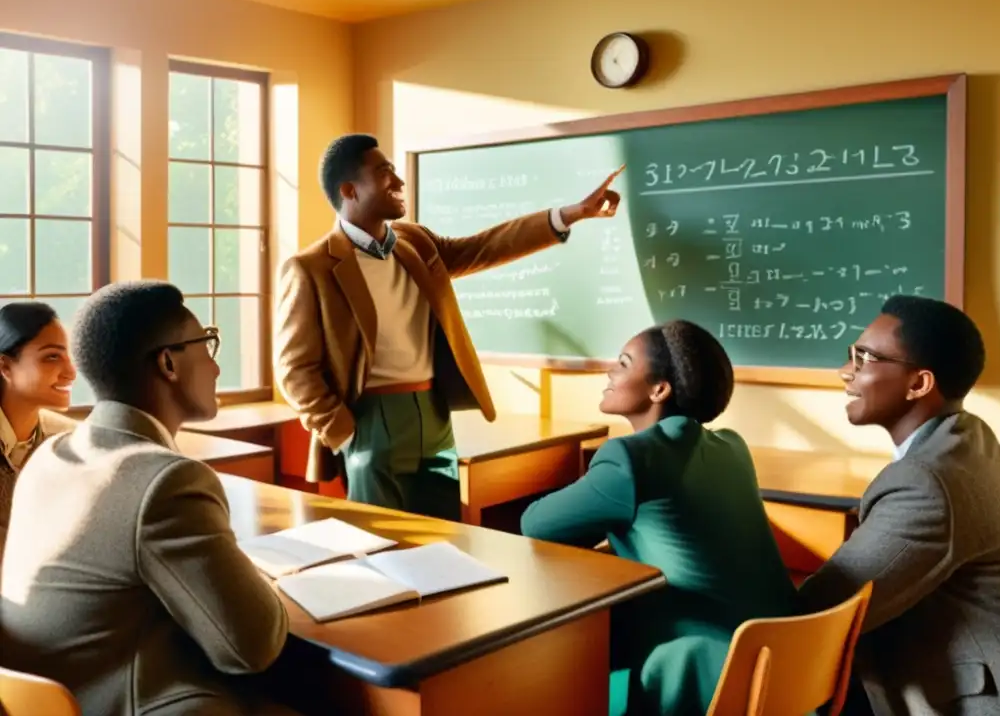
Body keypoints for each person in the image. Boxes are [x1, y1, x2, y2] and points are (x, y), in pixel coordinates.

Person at [274, 133, 623, 519]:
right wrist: (344, 432)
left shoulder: (416, 241)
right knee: (382, 544)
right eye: (385, 172)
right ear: (349, 190)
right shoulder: (311, 268)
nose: (400, 182)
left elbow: (486, 246)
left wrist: (569, 214)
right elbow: (293, 369)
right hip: (371, 419)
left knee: (446, 536)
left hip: (435, 414)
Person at [0, 281, 290, 716]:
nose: (214, 367)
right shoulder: (166, 481)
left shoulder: (49, 456)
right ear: (168, 362)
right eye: (207, 344)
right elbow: (251, 647)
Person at [520, 320, 797, 715]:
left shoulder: (631, 459)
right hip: (784, 661)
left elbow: (535, 526)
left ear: (659, 389)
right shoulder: (732, 448)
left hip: (705, 671)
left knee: (555, 651)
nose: (609, 373)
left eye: (623, 363)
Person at [799, 296, 1000, 715]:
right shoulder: (969, 438)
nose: (845, 372)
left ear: (919, 384)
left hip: (982, 699)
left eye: (863, 358)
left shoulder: (927, 483)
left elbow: (819, 613)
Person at [0, 301, 77, 563]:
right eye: (52, 357)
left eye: (68, 356)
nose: (71, 372)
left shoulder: (71, 441)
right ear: (5, 367)